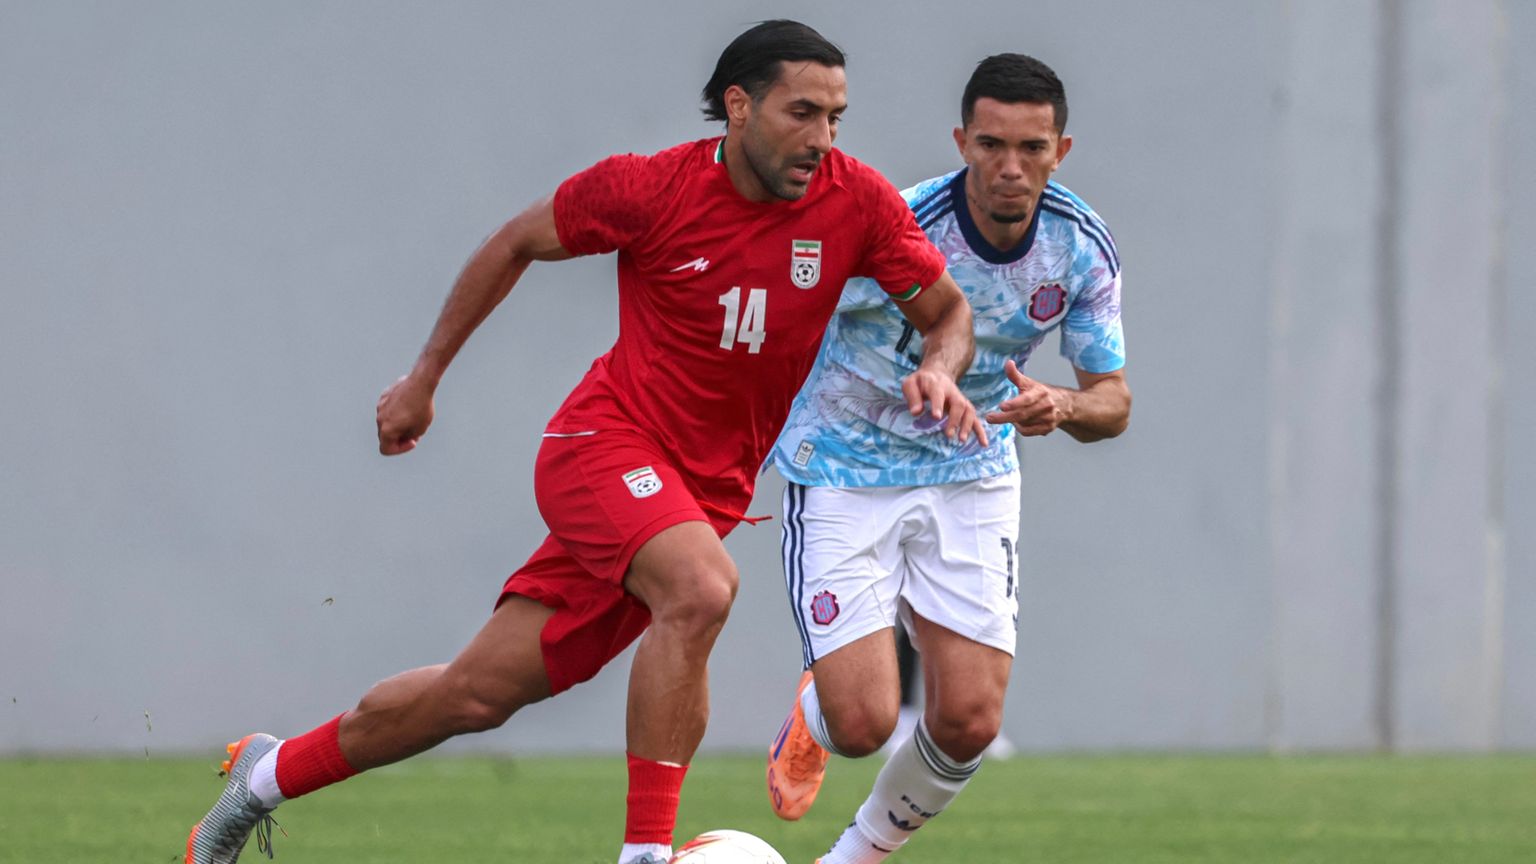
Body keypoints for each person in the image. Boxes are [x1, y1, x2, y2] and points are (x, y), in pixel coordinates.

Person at [182, 20, 988, 864]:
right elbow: (515, 242)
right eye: (803, 113)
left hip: (699, 496)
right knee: (702, 589)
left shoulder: (855, 201)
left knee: (474, 695)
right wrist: (424, 379)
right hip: (603, 447)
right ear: (739, 106)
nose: (823, 138)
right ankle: (645, 853)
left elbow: (949, 314)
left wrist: (940, 367)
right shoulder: (650, 188)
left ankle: (262, 779)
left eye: (835, 117)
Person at [764, 53, 1131, 864]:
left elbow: (1113, 399)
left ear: (1061, 152)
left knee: (968, 721)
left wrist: (1063, 404)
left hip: (972, 472)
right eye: (991, 145)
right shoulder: (897, 224)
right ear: (962, 142)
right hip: (846, 468)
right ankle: (819, 713)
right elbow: (792, 317)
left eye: (1031, 148)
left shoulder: (1078, 247)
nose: (1011, 167)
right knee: (862, 722)